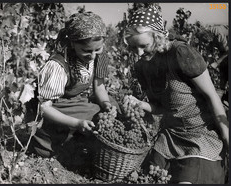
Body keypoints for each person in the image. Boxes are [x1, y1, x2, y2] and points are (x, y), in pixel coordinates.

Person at [123, 6, 229, 184]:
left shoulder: (180, 54)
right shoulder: (142, 66)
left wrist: (227, 135)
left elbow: (212, 95)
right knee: (145, 178)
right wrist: (140, 104)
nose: (139, 53)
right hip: (169, 137)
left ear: (157, 37)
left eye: (143, 46)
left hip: (200, 135)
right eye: (134, 48)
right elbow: (162, 109)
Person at [29, 11, 118, 159]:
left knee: (112, 107)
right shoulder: (57, 65)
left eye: (98, 49)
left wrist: (106, 103)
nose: (93, 56)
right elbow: (44, 108)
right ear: (72, 43)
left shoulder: (98, 57)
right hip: (52, 105)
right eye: (86, 51)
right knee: (48, 147)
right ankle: (65, 136)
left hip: (73, 100)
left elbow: (99, 87)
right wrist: (77, 123)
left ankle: (78, 138)